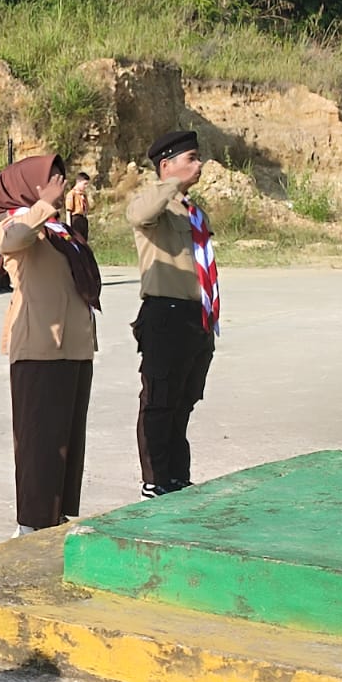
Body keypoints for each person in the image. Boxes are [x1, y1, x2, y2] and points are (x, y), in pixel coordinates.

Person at [0, 154, 101, 537]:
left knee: (68, 440)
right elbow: (9, 241)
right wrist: (43, 206)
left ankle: (57, 516)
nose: (59, 183)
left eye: (60, 177)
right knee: (39, 442)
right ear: (29, 186)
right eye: (50, 178)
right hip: (39, 347)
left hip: (75, 346)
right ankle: (32, 524)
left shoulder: (60, 230)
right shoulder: (17, 224)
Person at [127, 130, 217, 500]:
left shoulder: (193, 211)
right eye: (190, 158)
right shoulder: (153, 203)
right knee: (159, 402)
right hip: (165, 315)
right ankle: (155, 481)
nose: (199, 164)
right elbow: (139, 215)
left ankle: (177, 477)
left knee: (183, 401)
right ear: (167, 165)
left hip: (197, 316)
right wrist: (171, 185)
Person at [67, 171, 93, 241]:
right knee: (77, 240)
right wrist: (69, 226)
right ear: (78, 182)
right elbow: (68, 211)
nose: (86, 186)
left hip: (83, 219)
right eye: (84, 184)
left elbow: (87, 208)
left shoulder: (83, 195)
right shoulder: (71, 194)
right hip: (76, 219)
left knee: (84, 241)